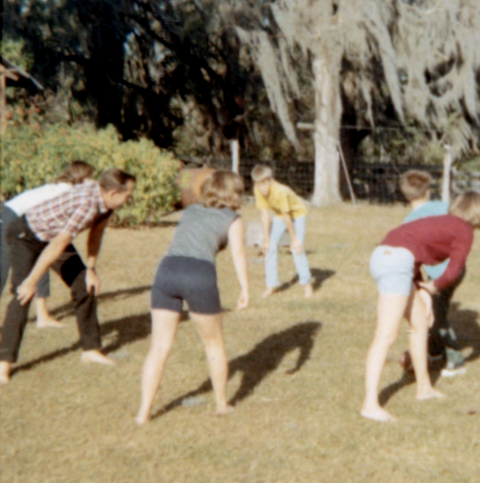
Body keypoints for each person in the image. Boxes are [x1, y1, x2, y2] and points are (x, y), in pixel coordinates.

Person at [361, 190, 480, 422]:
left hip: (388, 256)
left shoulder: (442, 221)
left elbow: (414, 251)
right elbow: (453, 271)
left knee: (419, 323)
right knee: (386, 335)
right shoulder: (464, 229)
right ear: (479, 214)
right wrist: (431, 288)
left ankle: (424, 388)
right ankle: (370, 404)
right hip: (395, 262)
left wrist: (422, 291)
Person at [0, 168, 136, 384]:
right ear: (113, 194)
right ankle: (3, 363)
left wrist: (90, 270)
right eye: (128, 195)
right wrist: (32, 280)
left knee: (84, 284)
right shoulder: (88, 205)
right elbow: (59, 243)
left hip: (52, 237)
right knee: (23, 293)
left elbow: (96, 234)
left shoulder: (105, 202)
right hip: (25, 236)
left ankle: (90, 350)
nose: (129, 199)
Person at [135, 170, 250, 424]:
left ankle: (143, 413)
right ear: (235, 192)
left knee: (159, 347)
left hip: (167, 271)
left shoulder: (190, 211)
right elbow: (238, 255)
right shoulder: (234, 219)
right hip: (198, 273)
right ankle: (222, 405)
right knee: (213, 344)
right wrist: (245, 289)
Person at [1, 161, 95, 329]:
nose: (93, 182)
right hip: (12, 217)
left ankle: (42, 316)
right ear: (82, 178)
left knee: (41, 260)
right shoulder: (65, 191)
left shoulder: (65, 189)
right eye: (90, 178)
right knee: (3, 268)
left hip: (31, 224)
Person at [398, 169, 467, 376]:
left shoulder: (409, 222)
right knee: (435, 310)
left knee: (436, 315)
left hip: (441, 274)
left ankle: (456, 360)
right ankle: (435, 351)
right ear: (428, 191)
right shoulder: (445, 207)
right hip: (458, 267)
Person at [251, 165, 313, 299]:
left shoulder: (280, 191)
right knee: (270, 248)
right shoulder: (258, 190)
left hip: (297, 214)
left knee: (296, 248)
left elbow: (288, 217)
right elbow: (265, 215)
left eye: (264, 184)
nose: (262, 188)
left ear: (270, 181)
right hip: (279, 214)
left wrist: (294, 239)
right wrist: (266, 239)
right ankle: (271, 285)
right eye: (258, 184)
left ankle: (307, 284)